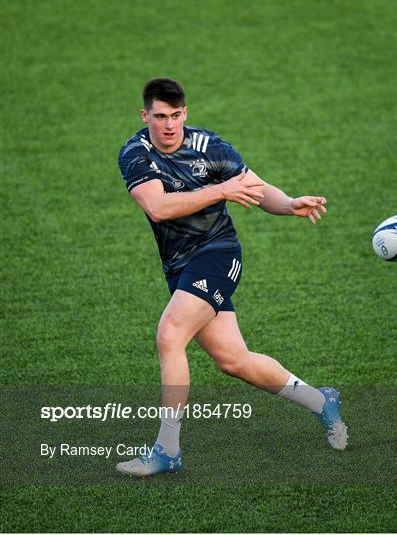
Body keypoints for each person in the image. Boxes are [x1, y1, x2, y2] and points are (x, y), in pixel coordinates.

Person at [116, 78, 347, 477]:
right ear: (145, 116)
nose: (168, 125)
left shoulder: (211, 147)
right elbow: (158, 208)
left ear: (185, 113)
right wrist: (220, 190)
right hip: (178, 265)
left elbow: (255, 188)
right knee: (234, 360)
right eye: (159, 117)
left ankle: (167, 449)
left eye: (175, 116)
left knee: (170, 334)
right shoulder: (135, 154)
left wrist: (289, 203)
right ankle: (320, 401)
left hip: (218, 254)